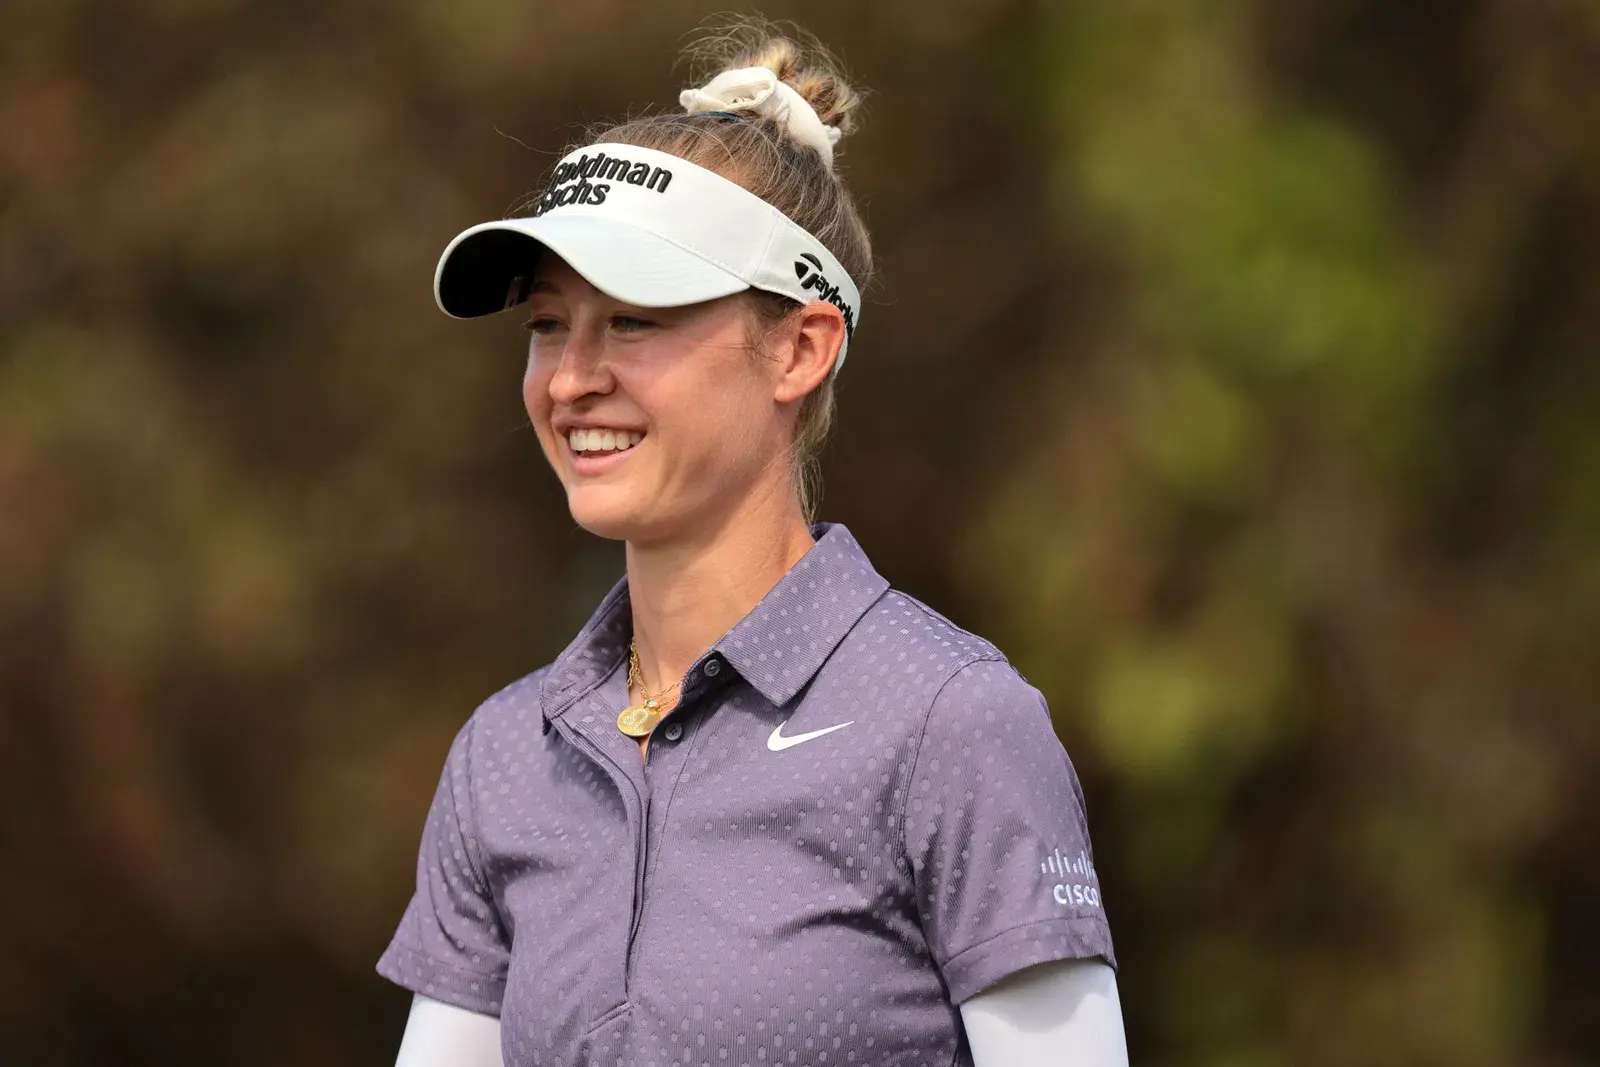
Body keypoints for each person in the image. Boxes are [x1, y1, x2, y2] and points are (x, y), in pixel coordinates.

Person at [378, 23, 1127, 1067]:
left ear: (800, 349)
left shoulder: (950, 722)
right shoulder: (504, 756)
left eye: (634, 320)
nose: (572, 378)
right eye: (548, 325)